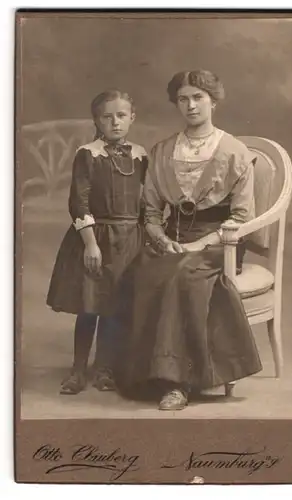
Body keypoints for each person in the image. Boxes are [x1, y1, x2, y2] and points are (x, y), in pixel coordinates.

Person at [117, 70, 262, 410]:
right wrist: (159, 237)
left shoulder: (234, 151)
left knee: (180, 277)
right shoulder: (163, 150)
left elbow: (242, 219)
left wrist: (199, 244)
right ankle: (141, 373)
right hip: (171, 238)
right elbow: (150, 212)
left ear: (214, 100)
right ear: (176, 104)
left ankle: (177, 383)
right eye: (183, 98)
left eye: (198, 97)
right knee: (138, 271)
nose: (191, 105)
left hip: (219, 242)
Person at [46, 89, 148, 395]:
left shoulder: (141, 155)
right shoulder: (88, 154)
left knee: (114, 307)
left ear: (132, 117)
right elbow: (79, 201)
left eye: (121, 115)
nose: (115, 122)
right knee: (90, 306)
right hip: (97, 237)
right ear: (97, 120)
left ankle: (104, 368)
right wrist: (90, 243)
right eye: (107, 117)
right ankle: (78, 370)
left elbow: (146, 200)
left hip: (130, 239)